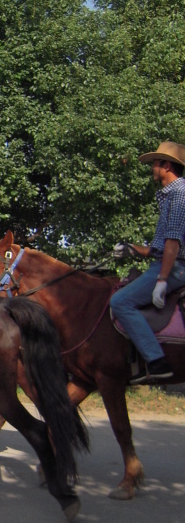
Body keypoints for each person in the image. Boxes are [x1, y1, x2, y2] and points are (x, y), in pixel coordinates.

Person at [110, 140, 185, 384]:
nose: (152, 167)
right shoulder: (167, 196)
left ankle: (156, 362)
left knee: (120, 301)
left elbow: (173, 244)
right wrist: (130, 249)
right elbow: (158, 249)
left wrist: (162, 280)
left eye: (155, 163)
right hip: (166, 262)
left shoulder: (180, 194)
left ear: (166, 165)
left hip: (176, 268)